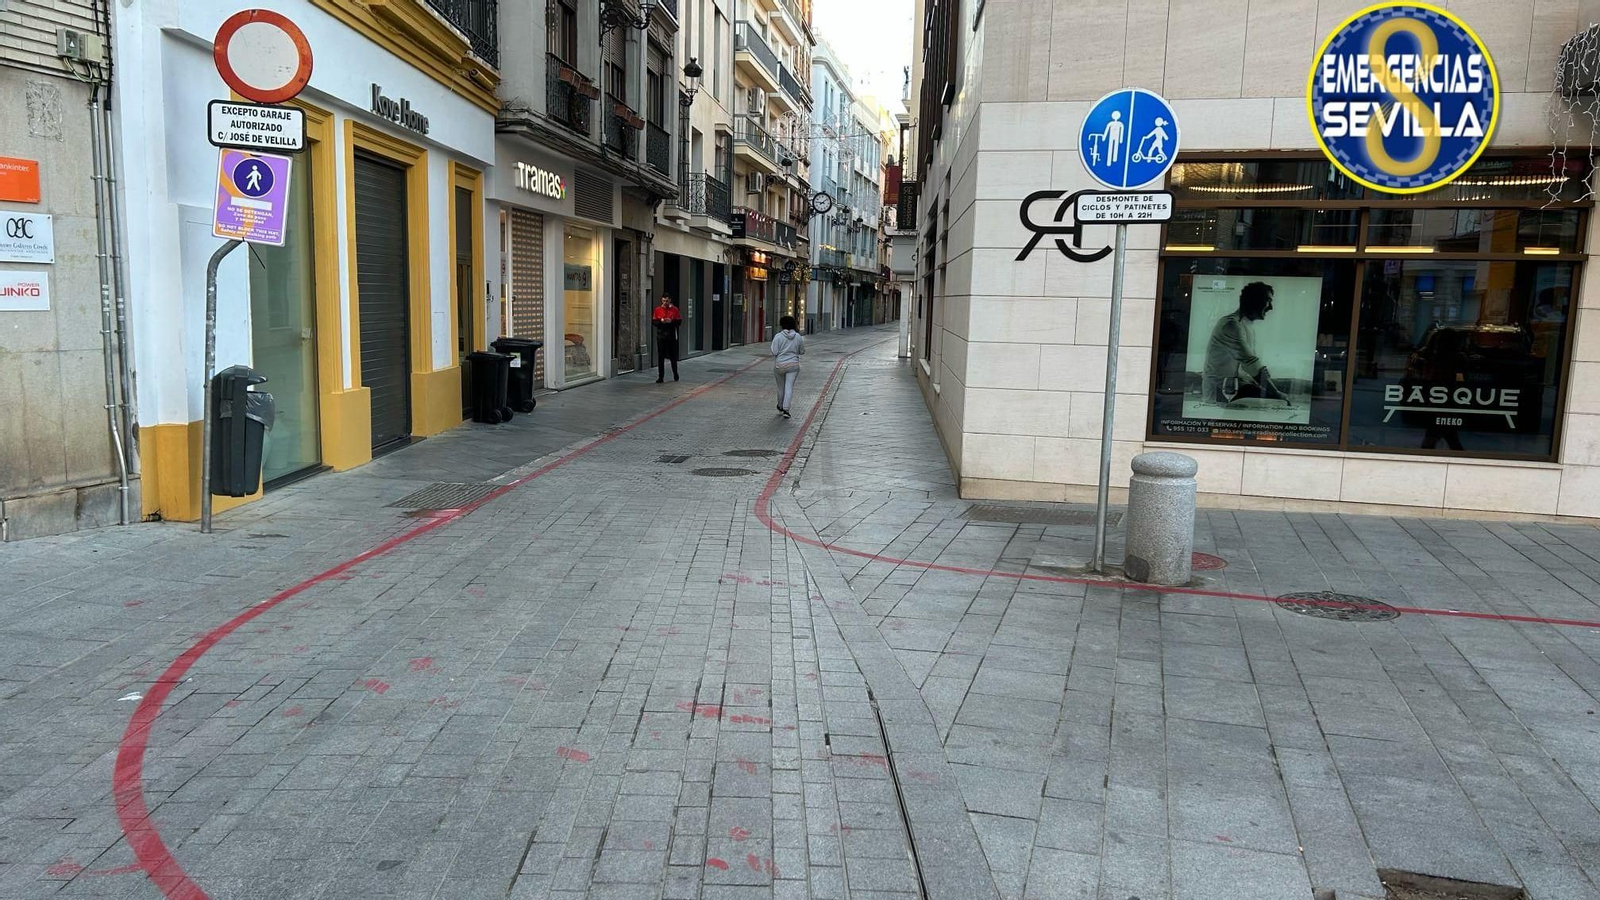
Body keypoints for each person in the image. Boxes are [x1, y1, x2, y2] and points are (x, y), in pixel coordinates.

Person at [1201, 281, 1289, 407]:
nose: (1271, 307)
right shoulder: (1231, 325)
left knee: (1279, 402)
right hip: (1222, 392)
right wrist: (1276, 392)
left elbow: (1251, 367)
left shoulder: (1245, 326)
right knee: (1279, 402)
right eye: (1268, 301)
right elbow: (1251, 364)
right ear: (1253, 300)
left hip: (1236, 387)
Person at [771, 315, 804, 418]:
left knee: (780, 387)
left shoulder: (778, 336)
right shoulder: (798, 337)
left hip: (779, 365)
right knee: (789, 387)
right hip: (793, 365)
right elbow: (802, 351)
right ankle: (786, 409)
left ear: (782, 325)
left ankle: (780, 406)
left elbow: (774, 351)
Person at [652, 293, 682, 383]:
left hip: (671, 336)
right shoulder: (657, 310)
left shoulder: (675, 310)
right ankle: (661, 377)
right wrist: (661, 321)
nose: (665, 302)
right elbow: (654, 322)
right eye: (664, 300)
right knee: (661, 357)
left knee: (673, 356)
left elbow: (679, 322)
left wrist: (671, 321)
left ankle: (675, 373)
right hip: (661, 336)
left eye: (667, 300)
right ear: (662, 300)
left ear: (670, 300)